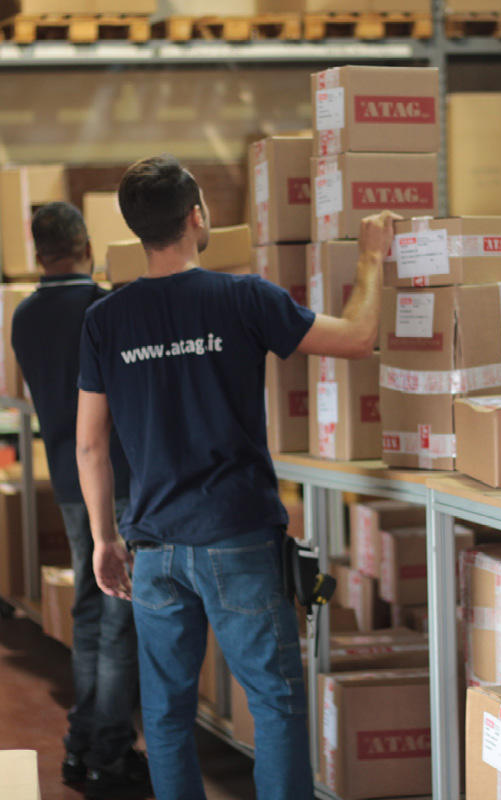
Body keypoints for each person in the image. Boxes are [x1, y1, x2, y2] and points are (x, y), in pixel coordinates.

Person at [75, 155, 396, 800]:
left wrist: (104, 539)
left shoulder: (105, 320)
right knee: (273, 703)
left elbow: (90, 445)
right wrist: (370, 257)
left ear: (138, 229)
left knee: (166, 714)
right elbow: (359, 338)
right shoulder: (243, 298)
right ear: (198, 217)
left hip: (154, 546)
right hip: (237, 538)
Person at [11, 203, 150, 799]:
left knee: (91, 613)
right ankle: (108, 755)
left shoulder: (23, 316)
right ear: (87, 246)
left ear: (37, 252)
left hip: (70, 483)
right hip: (116, 478)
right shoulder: (105, 306)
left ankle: (82, 744)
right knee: (119, 619)